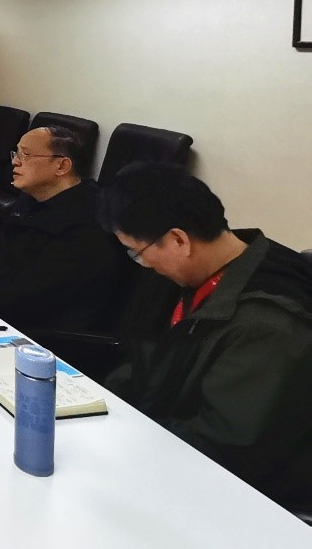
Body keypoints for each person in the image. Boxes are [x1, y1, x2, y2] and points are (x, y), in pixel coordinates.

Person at [101, 163, 312, 516]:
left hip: (240, 494)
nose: (144, 264)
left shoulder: (270, 324)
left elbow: (227, 446)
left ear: (179, 240)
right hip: (167, 444)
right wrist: (103, 405)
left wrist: (126, 441)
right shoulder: (209, 271)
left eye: (137, 252)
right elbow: (152, 359)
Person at [0, 125, 129, 333]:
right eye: (16, 153)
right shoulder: (32, 199)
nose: (15, 161)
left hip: (36, 332)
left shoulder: (87, 225)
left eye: (26, 155)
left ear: (62, 166)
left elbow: (30, 297)